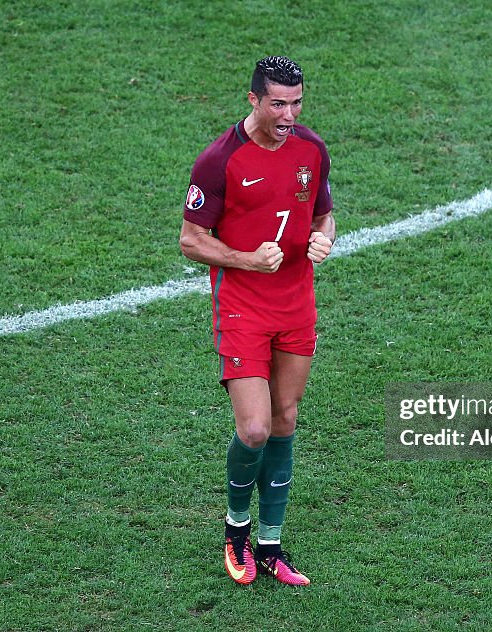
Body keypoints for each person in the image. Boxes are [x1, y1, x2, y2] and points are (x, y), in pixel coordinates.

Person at [179, 55, 335, 586]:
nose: (289, 113)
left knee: (286, 420)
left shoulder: (311, 150)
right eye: (278, 104)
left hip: (296, 305)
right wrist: (247, 259)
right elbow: (190, 239)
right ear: (253, 100)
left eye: (296, 102)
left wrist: (325, 238)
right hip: (242, 306)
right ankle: (236, 531)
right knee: (254, 427)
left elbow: (322, 212)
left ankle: (270, 545)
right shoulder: (219, 160)